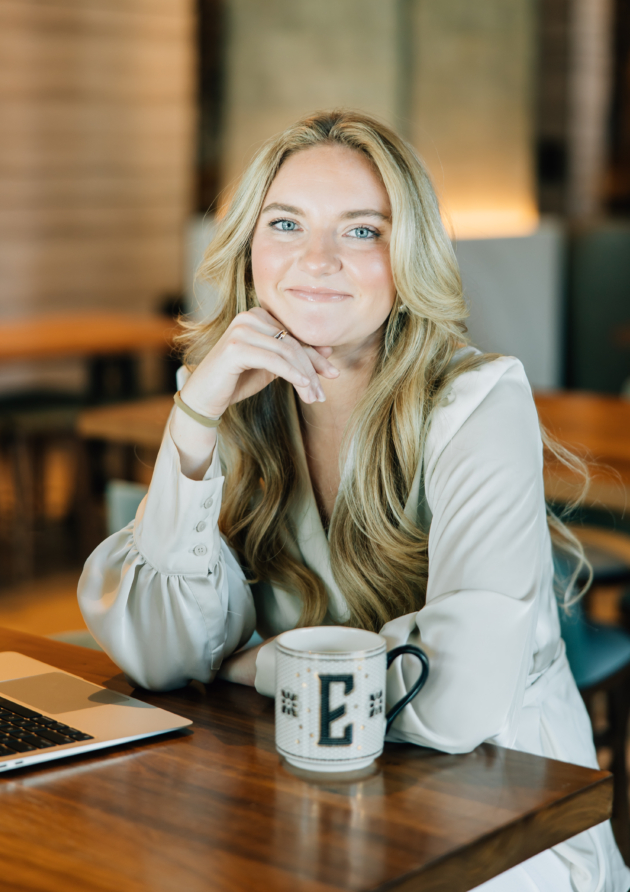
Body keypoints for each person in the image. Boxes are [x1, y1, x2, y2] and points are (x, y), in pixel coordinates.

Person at [78, 110, 629, 892]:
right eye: (286, 224)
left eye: (362, 231)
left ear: (407, 257)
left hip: (496, 806)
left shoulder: (476, 401)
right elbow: (162, 653)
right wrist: (194, 419)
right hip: (307, 792)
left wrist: (258, 665)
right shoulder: (237, 398)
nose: (317, 259)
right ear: (249, 247)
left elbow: (464, 697)